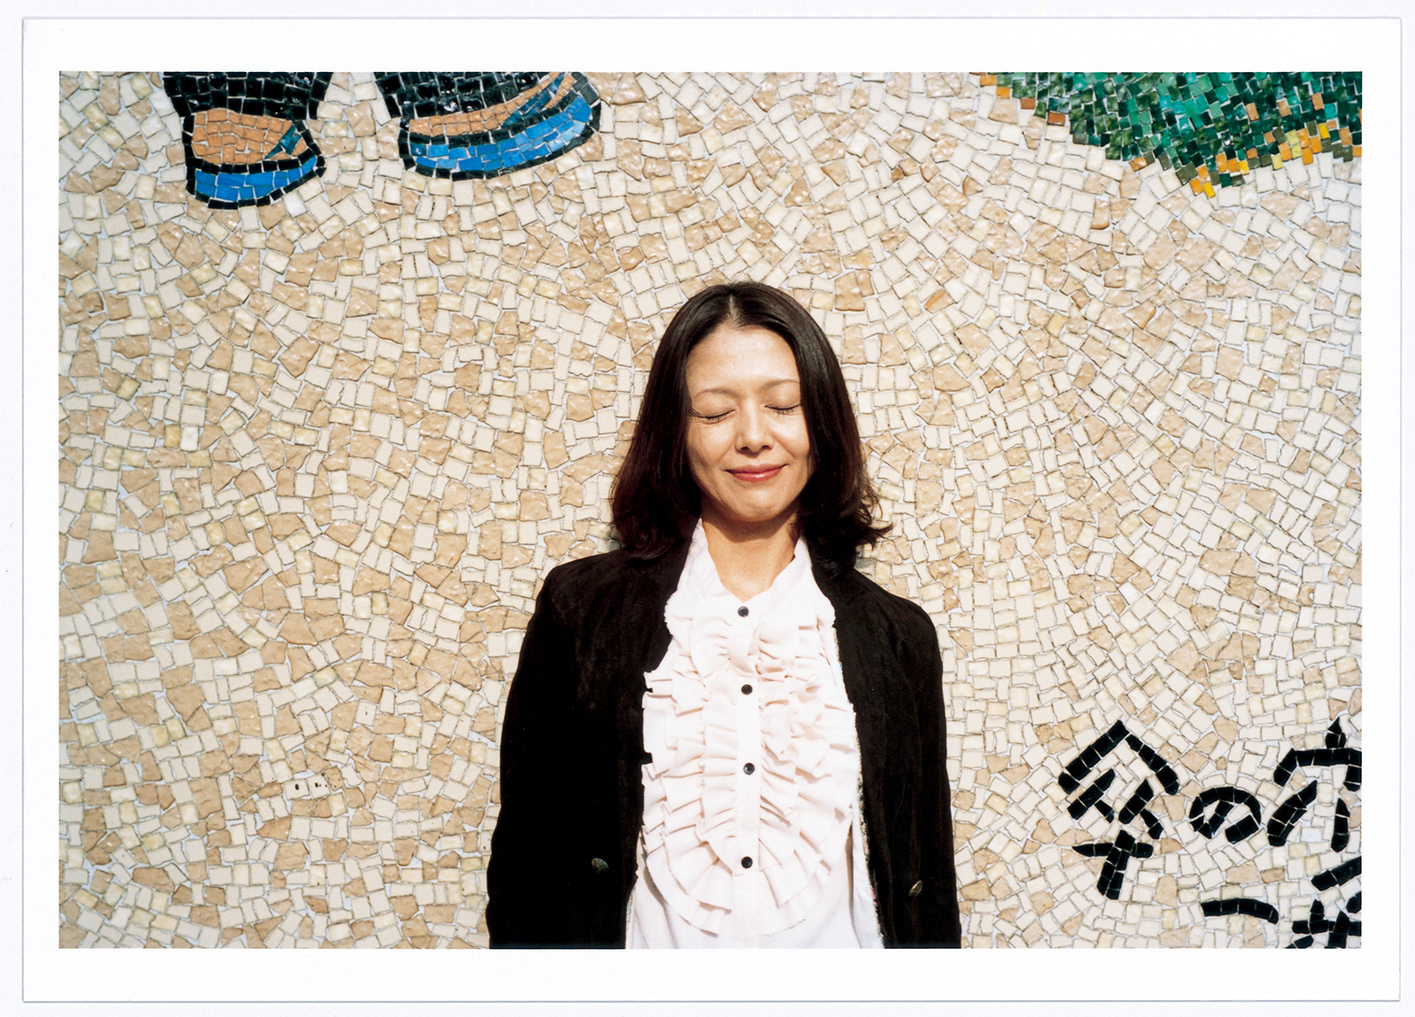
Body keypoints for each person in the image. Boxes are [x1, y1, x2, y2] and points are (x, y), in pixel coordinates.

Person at [486, 281, 961, 948]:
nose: (753, 437)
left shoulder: (899, 636)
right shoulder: (580, 610)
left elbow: (927, 887)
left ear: (822, 421)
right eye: (714, 412)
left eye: (783, 405)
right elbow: (524, 869)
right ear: (674, 431)